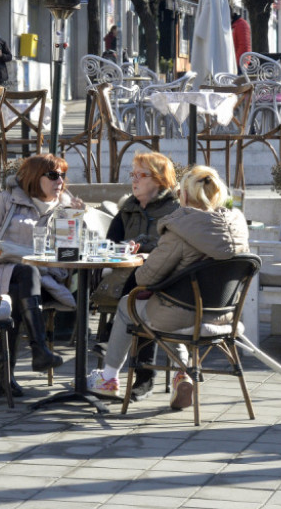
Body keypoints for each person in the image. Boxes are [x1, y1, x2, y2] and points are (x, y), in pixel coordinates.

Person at [88, 165, 250, 411]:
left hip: (182, 315)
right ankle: (182, 374)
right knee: (170, 306)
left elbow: (146, 276)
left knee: (130, 305)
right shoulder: (237, 230)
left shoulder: (181, 230)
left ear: (184, 195)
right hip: (223, 316)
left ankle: (108, 378)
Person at [0, 154, 83, 396]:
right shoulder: (7, 202)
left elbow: (70, 256)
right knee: (23, 278)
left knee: (23, 284)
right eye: (52, 175)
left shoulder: (65, 209)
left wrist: (76, 220)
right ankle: (38, 351)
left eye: (62, 175)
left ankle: (7, 375)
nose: (59, 181)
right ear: (33, 178)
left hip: (44, 282)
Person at [99, 151, 182, 400]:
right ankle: (106, 374)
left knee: (141, 292)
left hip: (166, 282)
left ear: (158, 180)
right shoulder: (127, 209)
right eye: (132, 175)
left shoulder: (175, 210)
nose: (134, 181)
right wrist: (123, 247)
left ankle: (142, 377)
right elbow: (109, 245)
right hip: (123, 279)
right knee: (136, 290)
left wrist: (142, 245)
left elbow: (172, 248)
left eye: (141, 175)